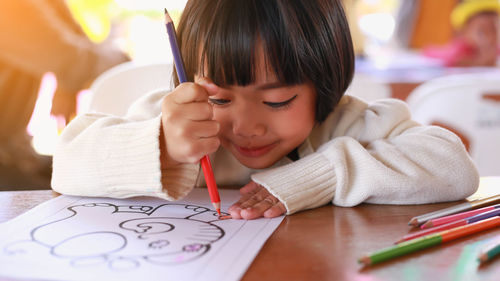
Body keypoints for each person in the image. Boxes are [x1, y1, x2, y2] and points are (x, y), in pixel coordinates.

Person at [52, 0, 479, 220]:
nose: (247, 126)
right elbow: (65, 162)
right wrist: (161, 146)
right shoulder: (175, 121)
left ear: (324, 80)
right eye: (219, 97)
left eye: (277, 101)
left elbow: (454, 166)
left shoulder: (349, 122)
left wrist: (326, 174)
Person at [0, 0, 128, 189]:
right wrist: (123, 60)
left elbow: (77, 46)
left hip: (13, 151)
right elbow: (77, 62)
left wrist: (67, 83)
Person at [422, 0, 500, 67]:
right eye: (481, 32)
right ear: (464, 32)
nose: (489, 37)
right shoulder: (460, 48)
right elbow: (431, 52)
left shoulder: (496, 49)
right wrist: (475, 62)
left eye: (494, 30)